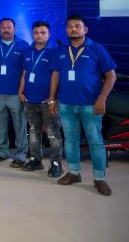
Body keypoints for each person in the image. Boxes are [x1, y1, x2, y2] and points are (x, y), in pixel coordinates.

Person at [49, 15, 117, 196]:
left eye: (77, 26)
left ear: (85, 29)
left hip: (90, 105)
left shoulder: (97, 49)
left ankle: (100, 178)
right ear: (66, 30)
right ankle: (74, 172)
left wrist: (102, 99)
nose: (73, 29)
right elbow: (55, 76)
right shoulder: (61, 50)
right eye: (70, 26)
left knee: (95, 142)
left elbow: (111, 75)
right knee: (70, 140)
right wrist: (52, 99)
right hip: (66, 105)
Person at [19, 20, 63, 178]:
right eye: (36, 32)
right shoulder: (27, 50)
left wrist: (53, 98)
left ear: (49, 34)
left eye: (43, 32)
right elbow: (25, 73)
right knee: (33, 131)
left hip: (47, 101)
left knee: (52, 133)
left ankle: (56, 163)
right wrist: (20, 91)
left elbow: (58, 76)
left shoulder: (55, 51)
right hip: (30, 99)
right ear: (32, 34)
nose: (39, 35)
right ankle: (35, 159)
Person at [0, 18, 29, 167]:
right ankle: (1, 152)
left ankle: (21, 154)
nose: (6, 29)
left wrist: (22, 91)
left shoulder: (23, 46)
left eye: (9, 27)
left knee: (20, 124)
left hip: (16, 94)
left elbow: (26, 70)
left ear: (14, 29)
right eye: (3, 27)